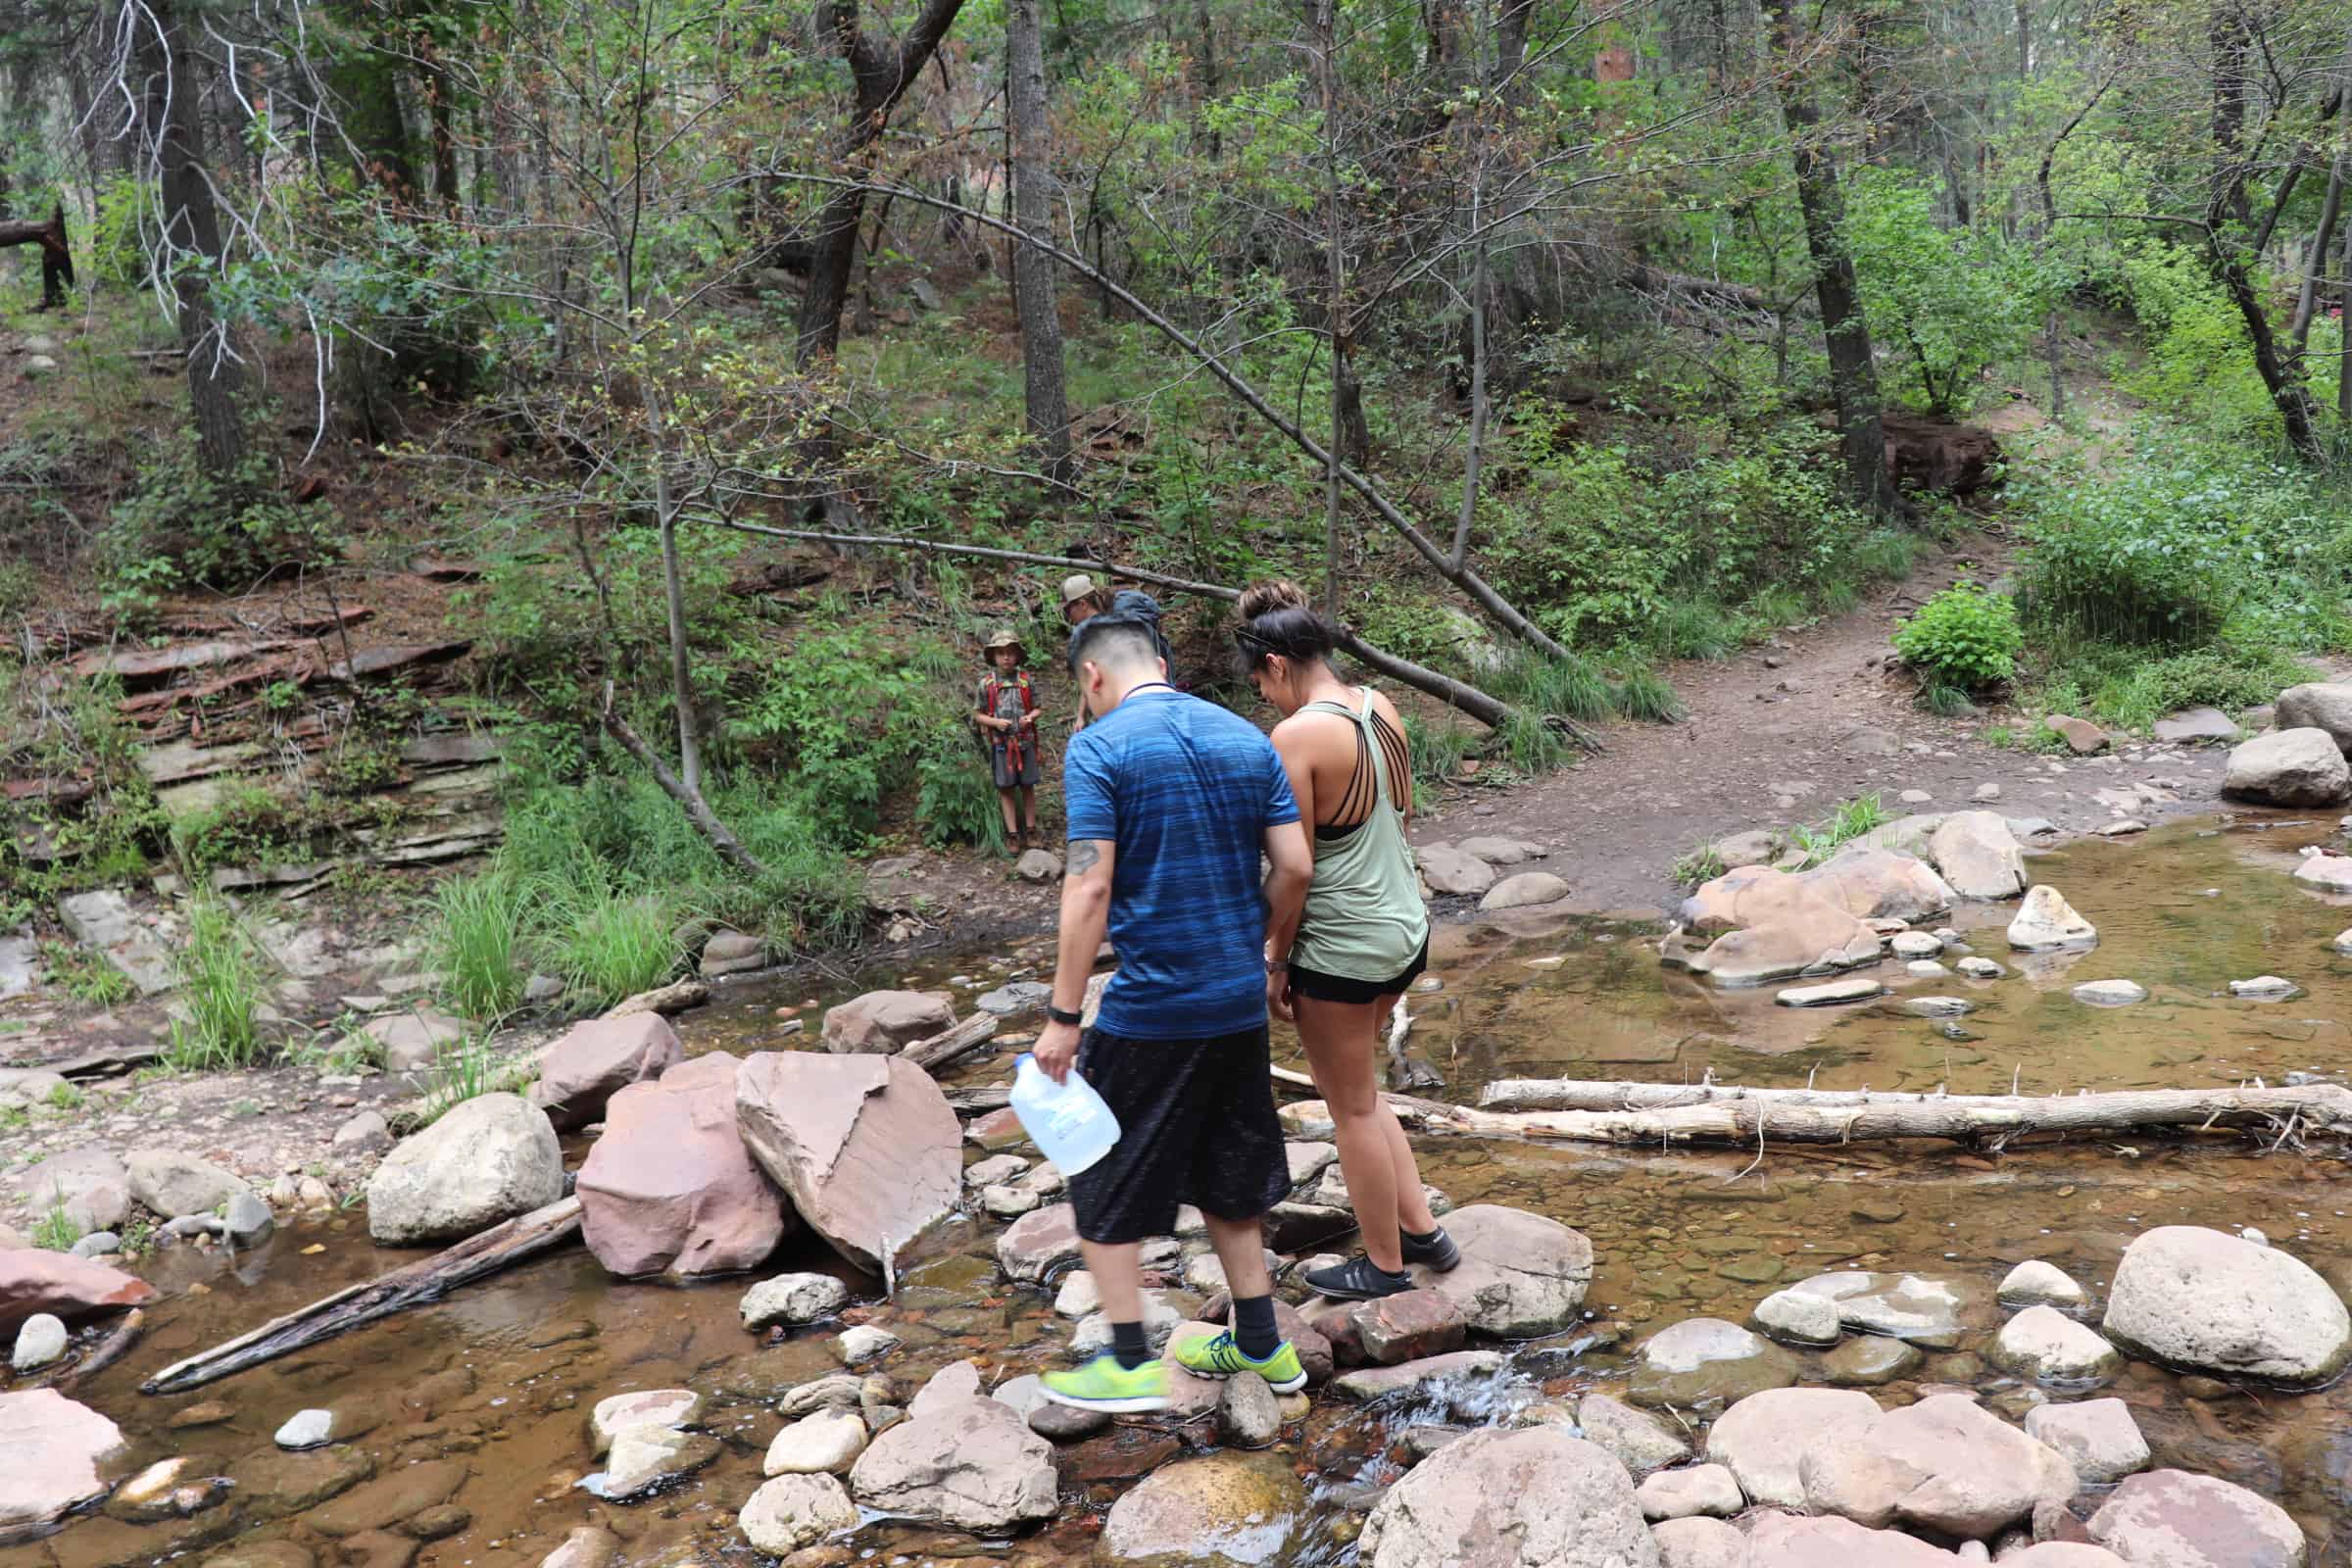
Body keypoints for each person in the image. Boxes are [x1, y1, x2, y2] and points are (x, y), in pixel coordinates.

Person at [1036, 612, 1318, 1412]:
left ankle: (1127, 1362)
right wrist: (1255, 948)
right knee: (1230, 1170)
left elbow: (1090, 885)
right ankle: (1262, 1343)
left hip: (1153, 1007)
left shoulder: (1099, 747)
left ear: (1092, 678)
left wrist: (1064, 1014)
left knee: (1096, 1164)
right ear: (1161, 663)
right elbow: (1295, 866)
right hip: (1235, 1003)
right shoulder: (1244, 735)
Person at [1234, 580, 1460, 1301]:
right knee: (1364, 1092)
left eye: (1259, 685)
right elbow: (1404, 813)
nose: (1264, 700)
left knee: (1350, 1108)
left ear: (1274, 663)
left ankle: (1385, 1268)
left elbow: (1294, 872)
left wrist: (1272, 958)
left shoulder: (1296, 737)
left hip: (1344, 946)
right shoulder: (1378, 705)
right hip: (1406, 927)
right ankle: (1424, 1230)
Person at [1060, 572, 1173, 734]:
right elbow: (1091, 677)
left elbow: (1094, 676)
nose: (1068, 617)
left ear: (1082, 604)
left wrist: (1083, 717)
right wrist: (1081, 716)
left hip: (1130, 711)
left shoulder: (1100, 633)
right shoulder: (1117, 623)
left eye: (1067, 609)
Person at [972, 627, 1042, 852]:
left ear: (1018, 656)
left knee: (1028, 786)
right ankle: (1012, 834)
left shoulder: (1025, 680)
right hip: (1001, 745)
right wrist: (995, 723)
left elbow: (1038, 708)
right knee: (1006, 789)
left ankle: (1030, 831)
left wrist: (1029, 717)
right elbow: (977, 714)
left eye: (1010, 652)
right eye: (1001, 653)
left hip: (1025, 741)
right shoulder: (986, 684)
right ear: (993, 656)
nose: (1006, 658)